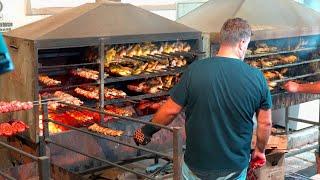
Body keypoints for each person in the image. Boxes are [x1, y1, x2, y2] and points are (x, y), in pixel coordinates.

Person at [133, 18, 272, 180]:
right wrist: (260, 151)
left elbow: (170, 110)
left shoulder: (195, 70)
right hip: (233, 169)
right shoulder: (257, 77)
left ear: (223, 40)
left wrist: (146, 131)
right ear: (242, 43)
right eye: (247, 45)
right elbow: (265, 123)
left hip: (195, 167)